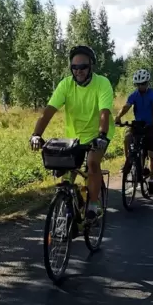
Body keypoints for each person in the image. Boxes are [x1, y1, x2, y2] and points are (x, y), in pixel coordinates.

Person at [30, 45, 114, 222]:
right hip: (74, 135)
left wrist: (102, 136)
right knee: (67, 172)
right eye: (74, 68)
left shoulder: (102, 83)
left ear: (91, 66)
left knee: (92, 163)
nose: (78, 71)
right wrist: (36, 134)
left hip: (98, 133)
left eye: (83, 67)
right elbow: (48, 112)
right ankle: (69, 204)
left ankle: (93, 204)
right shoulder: (65, 85)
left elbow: (104, 113)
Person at [114, 69, 153, 195]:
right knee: (127, 137)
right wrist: (118, 117)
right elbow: (126, 107)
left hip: (151, 126)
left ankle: (151, 179)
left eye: (143, 84)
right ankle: (128, 162)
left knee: (151, 154)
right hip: (138, 125)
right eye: (139, 84)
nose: (141, 86)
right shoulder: (134, 95)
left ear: (147, 83)